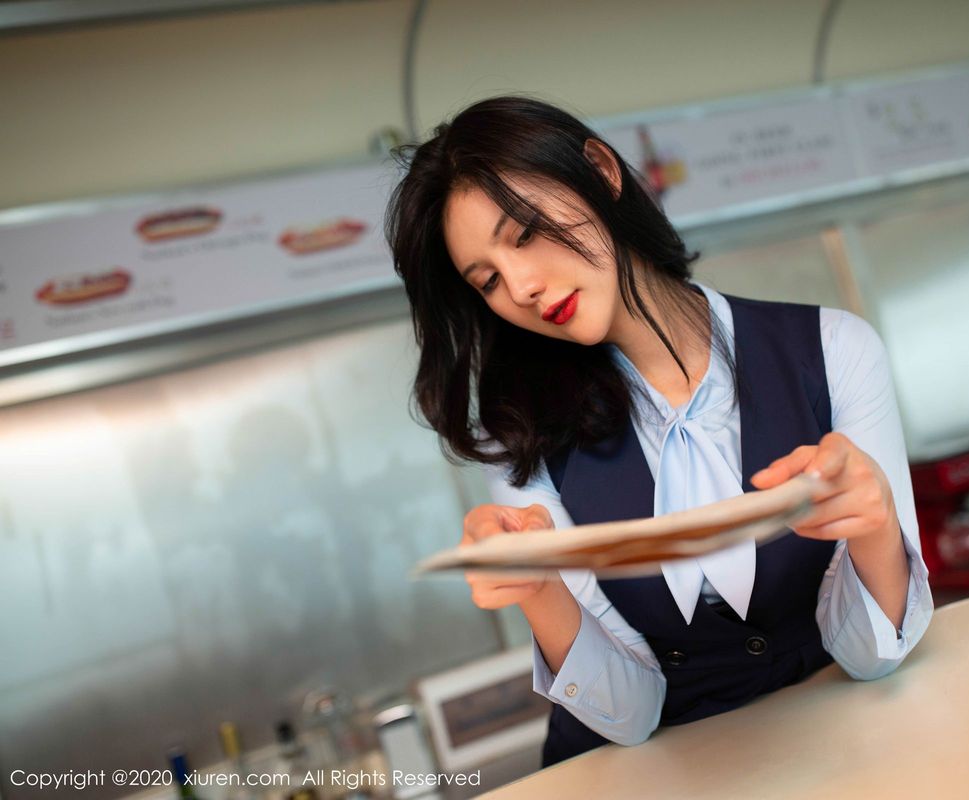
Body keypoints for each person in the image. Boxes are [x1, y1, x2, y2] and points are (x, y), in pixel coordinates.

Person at [386, 95, 934, 767]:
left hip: (828, 758)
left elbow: (873, 656)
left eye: (524, 232)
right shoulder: (522, 437)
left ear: (600, 171)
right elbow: (631, 712)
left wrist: (873, 526)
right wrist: (538, 590)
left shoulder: (834, 350)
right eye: (488, 280)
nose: (522, 286)